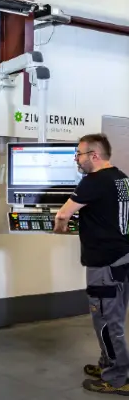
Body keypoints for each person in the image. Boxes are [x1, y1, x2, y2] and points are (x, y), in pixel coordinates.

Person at [54, 133, 129, 395]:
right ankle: (108, 363)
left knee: (107, 321)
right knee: (114, 316)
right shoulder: (122, 179)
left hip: (105, 263)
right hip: (123, 258)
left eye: (79, 154)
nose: (76, 159)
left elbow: (63, 214)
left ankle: (118, 378)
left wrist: (60, 228)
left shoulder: (94, 181)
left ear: (94, 155)